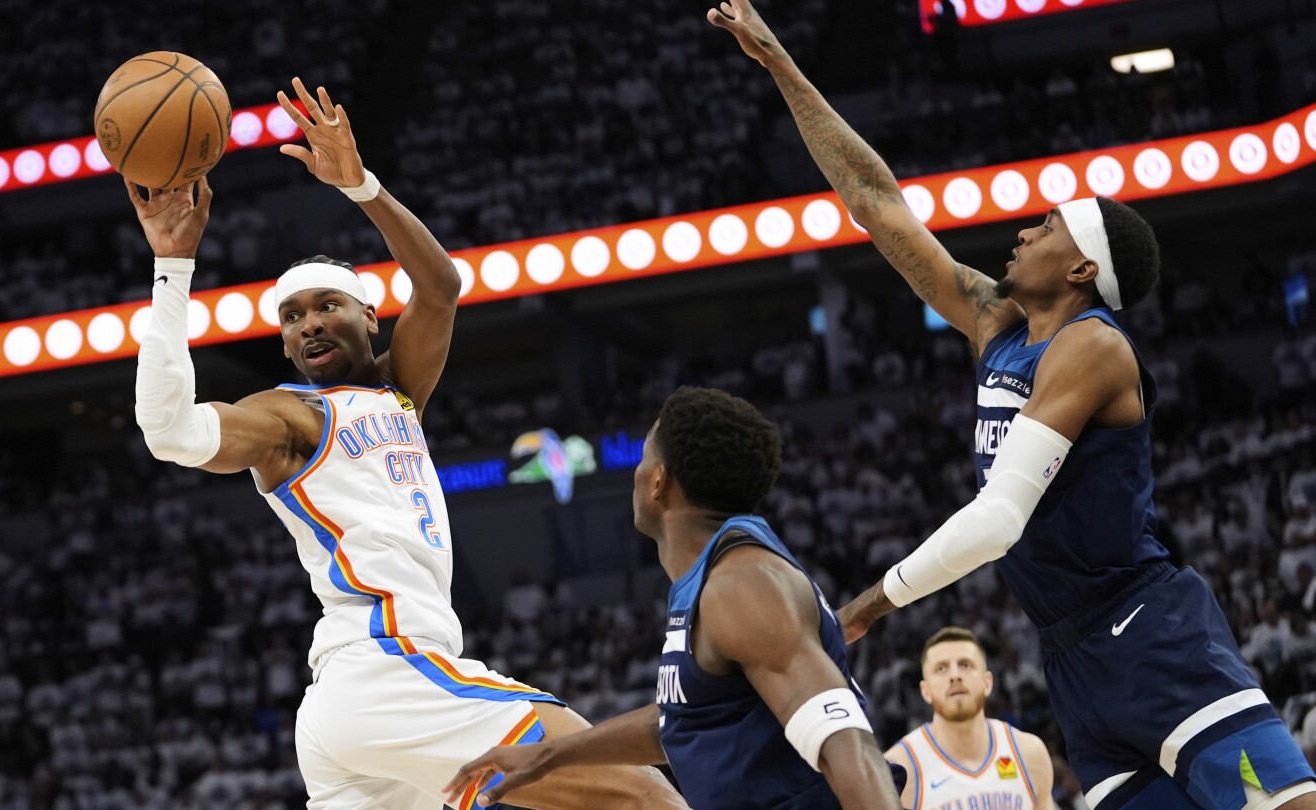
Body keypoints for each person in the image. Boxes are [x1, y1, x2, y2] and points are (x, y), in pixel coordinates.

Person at [707, 2, 1316, 808]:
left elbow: (999, 518)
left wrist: (864, 609)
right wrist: (782, 66)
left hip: (1148, 632)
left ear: (1082, 271)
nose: (1026, 232)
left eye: (1050, 227)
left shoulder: (1094, 346)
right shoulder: (996, 322)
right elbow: (877, 201)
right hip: (1070, 656)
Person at [125, 77, 685, 810]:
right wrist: (172, 269)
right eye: (292, 318)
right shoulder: (291, 418)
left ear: (369, 318)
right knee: (644, 799)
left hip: (362, 704)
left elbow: (441, 286)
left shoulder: (398, 392)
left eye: (326, 306)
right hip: (385, 669)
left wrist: (361, 186)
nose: (309, 323)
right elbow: (169, 431)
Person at [445, 387, 902, 809]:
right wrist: (548, 756)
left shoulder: (741, 585)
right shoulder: (714, 578)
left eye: (644, 458)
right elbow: (686, 720)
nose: (637, 473)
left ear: (659, 481)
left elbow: (846, 740)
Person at [887, 627, 1056, 810]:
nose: (955, 676)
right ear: (925, 691)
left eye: (965, 665)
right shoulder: (900, 766)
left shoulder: (1028, 753)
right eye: (941, 668)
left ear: (987, 683)